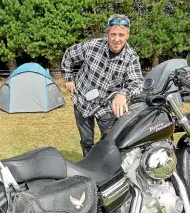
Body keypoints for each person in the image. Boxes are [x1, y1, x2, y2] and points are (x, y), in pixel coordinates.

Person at [61, 14, 143, 157]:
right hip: (82, 101)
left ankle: (106, 167)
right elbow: (69, 54)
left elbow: (137, 83)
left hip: (107, 108)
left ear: (128, 35)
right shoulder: (92, 46)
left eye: (121, 35)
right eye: (113, 34)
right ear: (107, 34)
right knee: (86, 141)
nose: (117, 39)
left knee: (110, 140)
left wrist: (123, 93)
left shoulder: (131, 57)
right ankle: (88, 165)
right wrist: (68, 78)